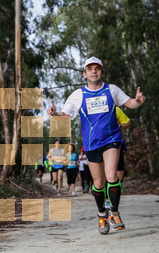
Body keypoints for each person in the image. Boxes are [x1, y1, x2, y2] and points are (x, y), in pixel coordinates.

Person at [47, 56, 145, 234]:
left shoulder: (112, 90)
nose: (94, 71)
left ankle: (114, 212)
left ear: (102, 72)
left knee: (111, 175)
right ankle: (102, 214)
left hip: (111, 139)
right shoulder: (79, 95)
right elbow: (65, 114)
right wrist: (55, 114)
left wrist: (137, 101)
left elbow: (129, 103)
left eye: (97, 68)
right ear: (85, 74)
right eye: (90, 68)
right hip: (92, 144)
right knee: (98, 183)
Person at [106, 108, 131, 208]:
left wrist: (119, 125)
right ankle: (108, 198)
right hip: (99, 145)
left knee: (120, 171)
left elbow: (127, 123)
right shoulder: (94, 109)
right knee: (107, 173)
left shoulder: (115, 109)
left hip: (116, 142)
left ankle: (115, 190)